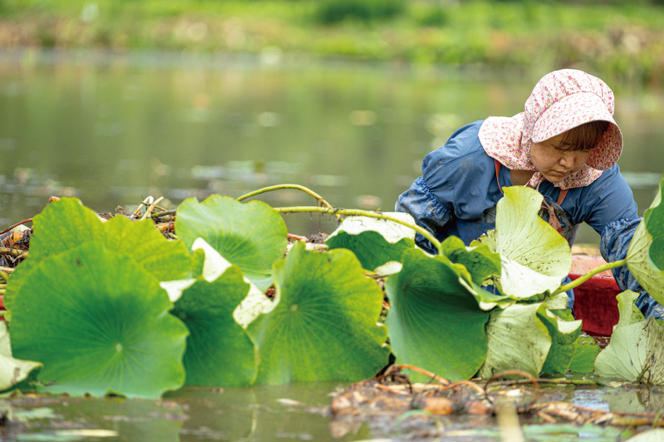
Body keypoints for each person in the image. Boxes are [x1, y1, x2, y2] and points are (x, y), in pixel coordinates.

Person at [395, 68, 663, 318]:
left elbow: (633, 251)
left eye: (583, 149)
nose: (569, 163)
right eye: (561, 147)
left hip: (539, 293)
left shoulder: (595, 179)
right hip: (457, 286)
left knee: (561, 304)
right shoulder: (471, 158)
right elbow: (411, 226)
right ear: (535, 129)